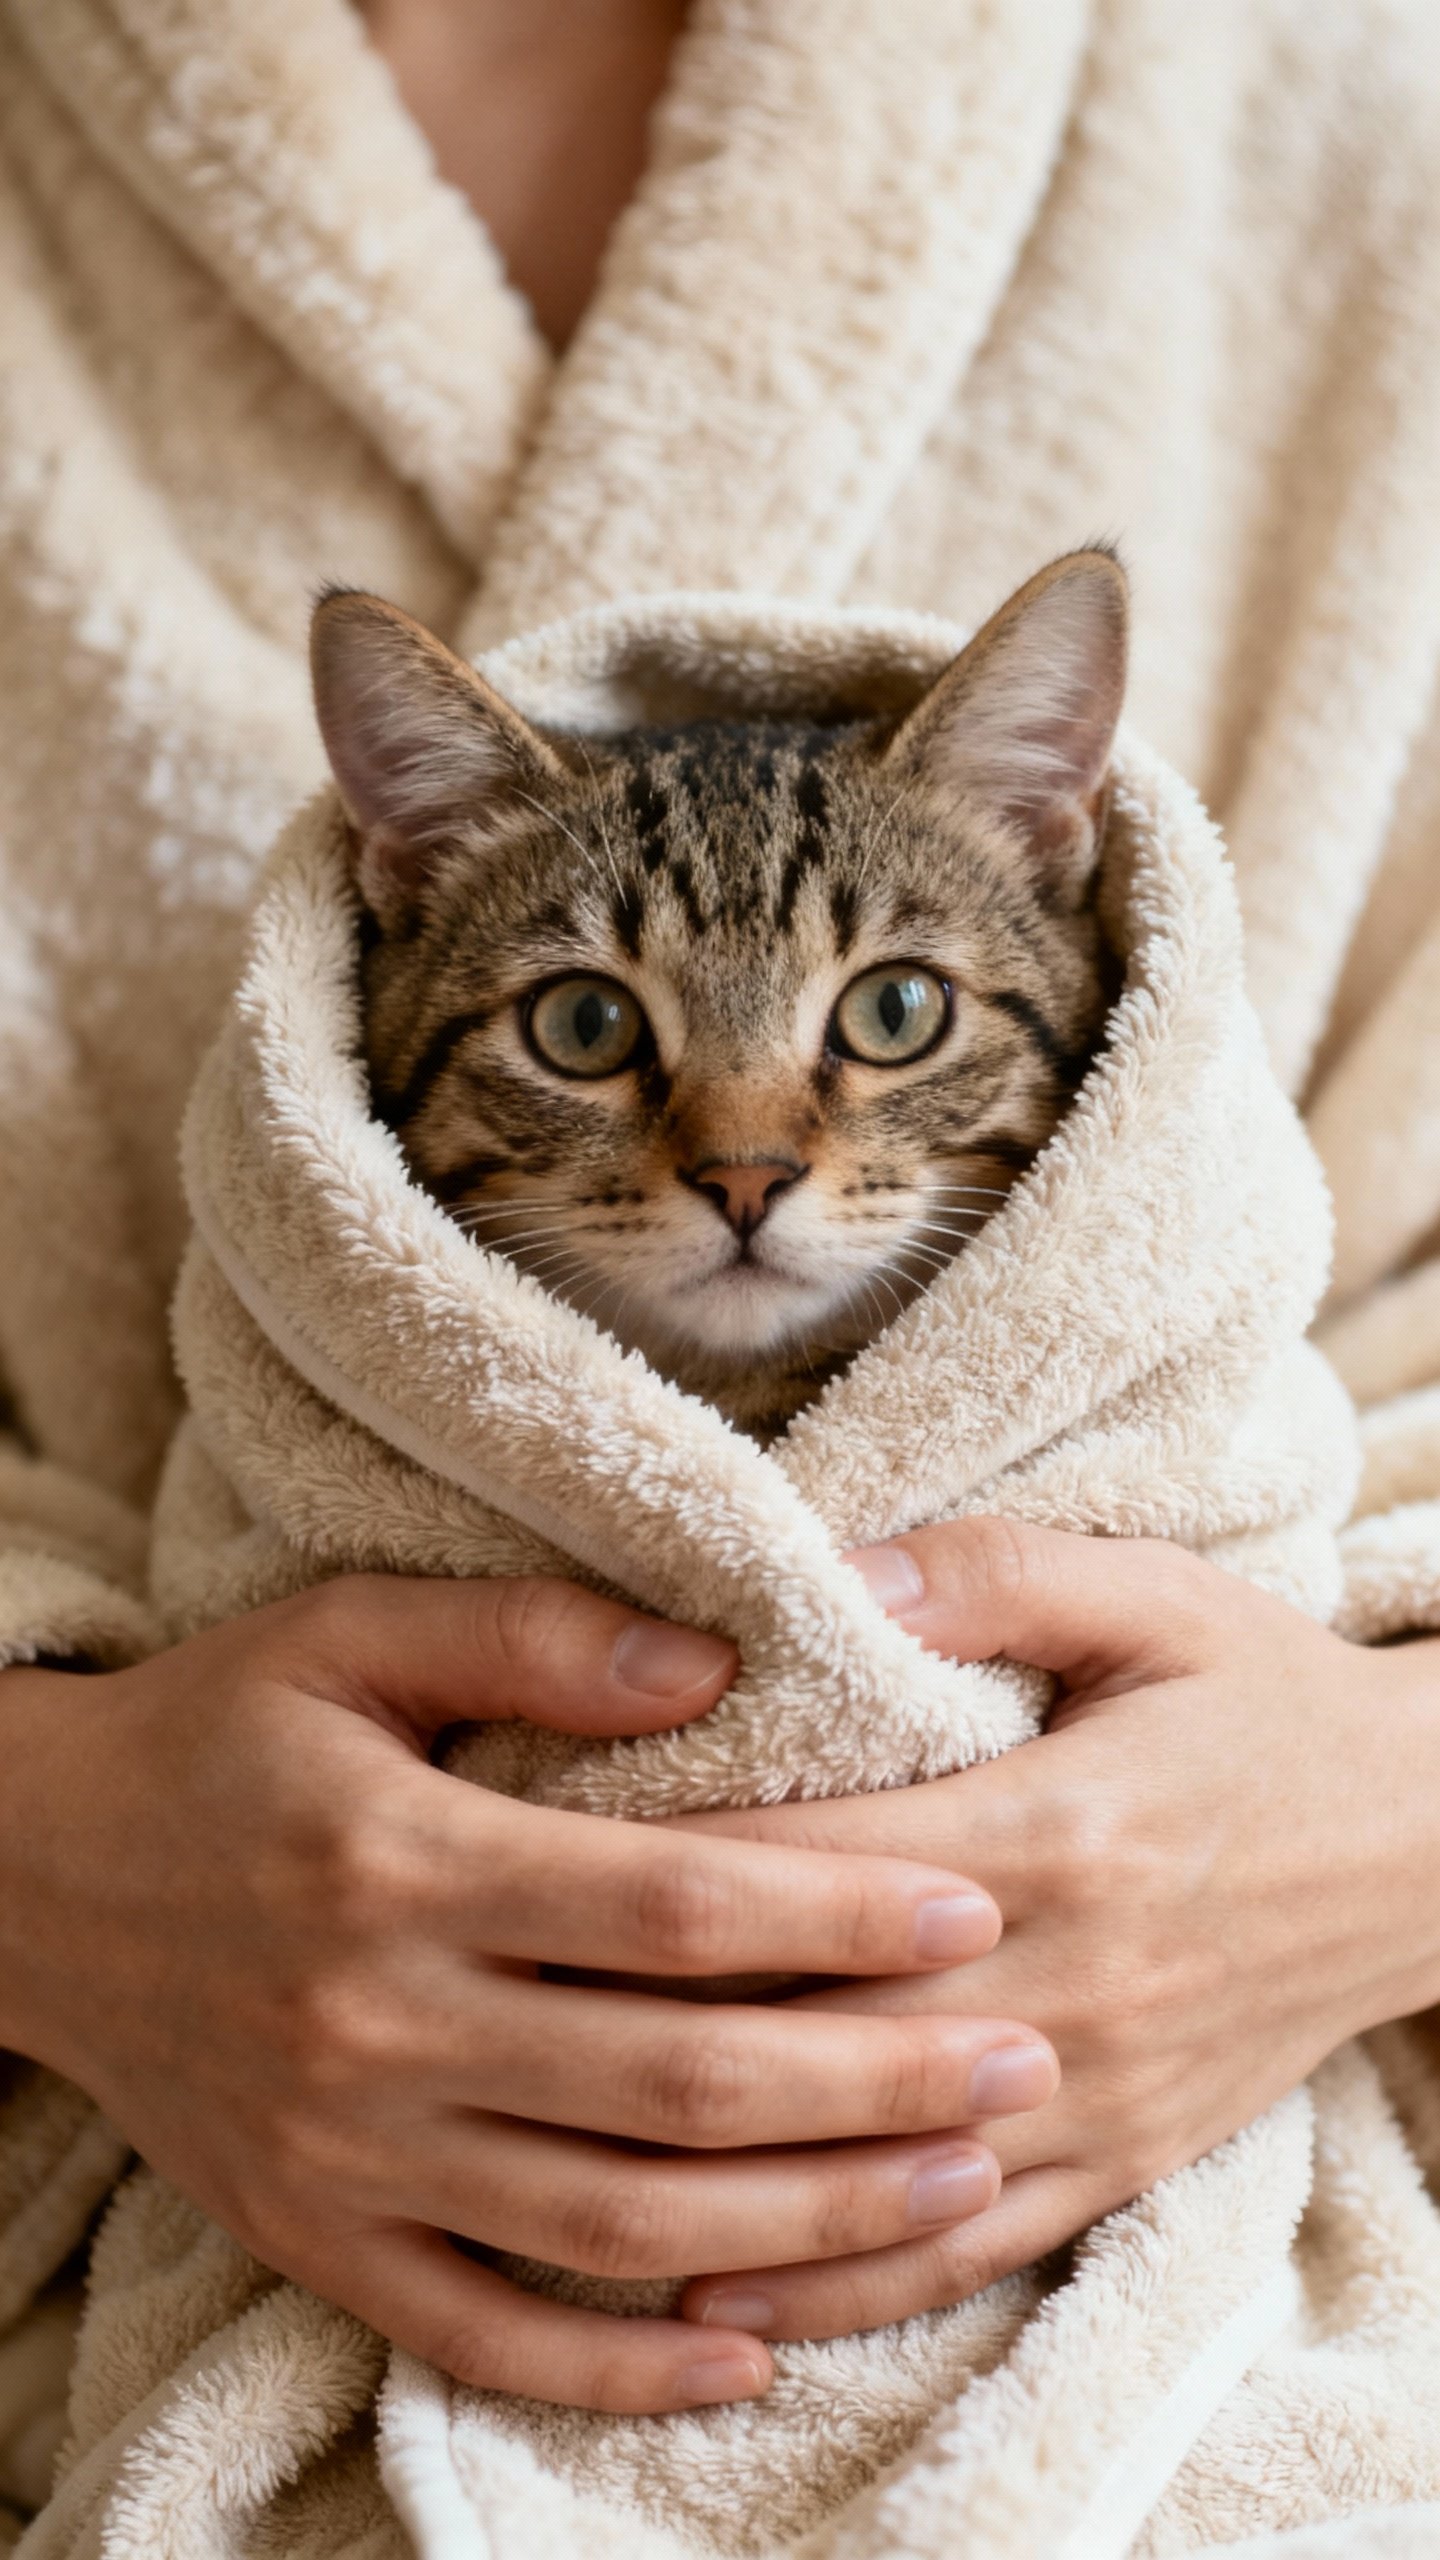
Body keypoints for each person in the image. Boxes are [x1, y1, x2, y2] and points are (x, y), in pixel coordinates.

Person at [1, 0, 1440, 2486]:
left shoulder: (1354, 108)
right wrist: (51, 1864)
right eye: (592, 1029)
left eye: (891, 1015)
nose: (748, 1148)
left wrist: (1389, 1826)